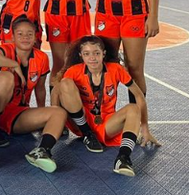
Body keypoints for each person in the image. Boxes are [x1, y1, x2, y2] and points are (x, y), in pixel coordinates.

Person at [57, 35, 160, 176]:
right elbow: (60, 93)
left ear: (103, 54)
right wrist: (58, 125)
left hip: (107, 125)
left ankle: (123, 158)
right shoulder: (74, 71)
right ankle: (88, 134)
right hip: (82, 125)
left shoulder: (116, 69)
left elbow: (138, 95)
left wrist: (145, 128)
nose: (92, 58)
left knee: (133, 108)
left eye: (96, 53)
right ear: (81, 56)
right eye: (87, 54)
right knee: (64, 83)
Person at [0, 16, 67, 172]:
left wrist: (43, 116)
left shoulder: (41, 57)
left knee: (59, 113)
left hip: (17, 114)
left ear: (36, 36)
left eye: (29, 34)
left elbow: (40, 88)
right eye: (20, 34)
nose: (25, 37)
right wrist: (14, 64)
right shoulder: (6, 49)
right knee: (6, 77)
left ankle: (42, 151)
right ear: (13, 36)